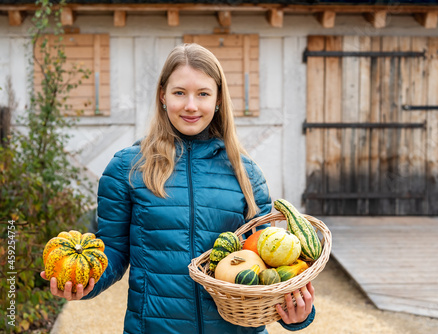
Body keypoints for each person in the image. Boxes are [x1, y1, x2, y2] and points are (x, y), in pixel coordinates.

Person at [41, 43, 315, 333]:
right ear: (162, 95)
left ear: (219, 98)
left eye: (203, 94)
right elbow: (114, 250)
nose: (191, 106)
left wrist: (297, 314)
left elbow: (270, 264)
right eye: (179, 92)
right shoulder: (128, 168)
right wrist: (85, 283)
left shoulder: (245, 173)